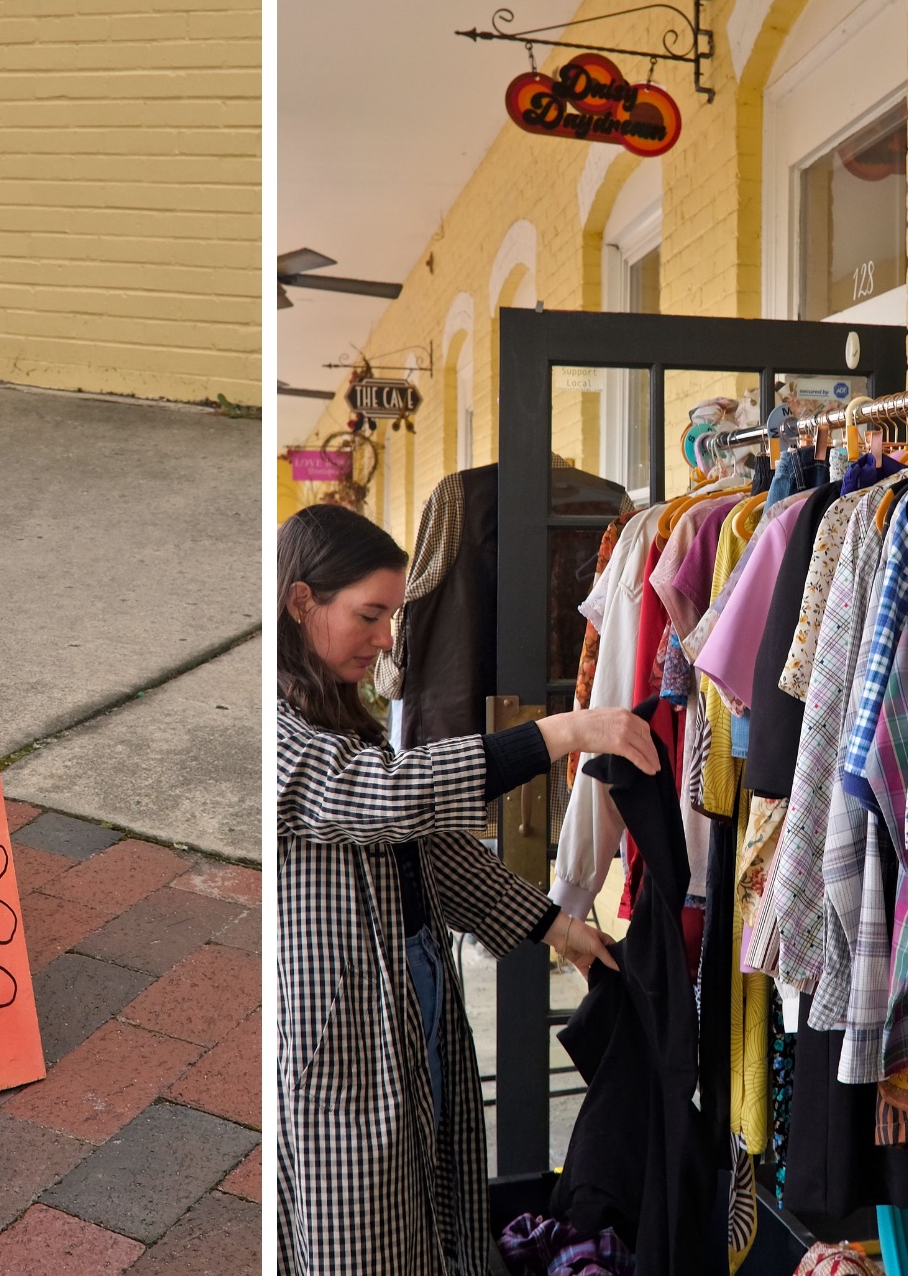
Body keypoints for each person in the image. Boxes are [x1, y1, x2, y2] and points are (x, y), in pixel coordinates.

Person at [276, 503, 659, 1276]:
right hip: (341, 1022)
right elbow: (386, 798)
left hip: (408, 983)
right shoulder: (279, 730)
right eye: (371, 615)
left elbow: (426, 850)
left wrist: (557, 924)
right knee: (363, 1230)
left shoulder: (332, 709)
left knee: (430, 1204)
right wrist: (563, 733)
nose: (386, 637)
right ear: (301, 602)